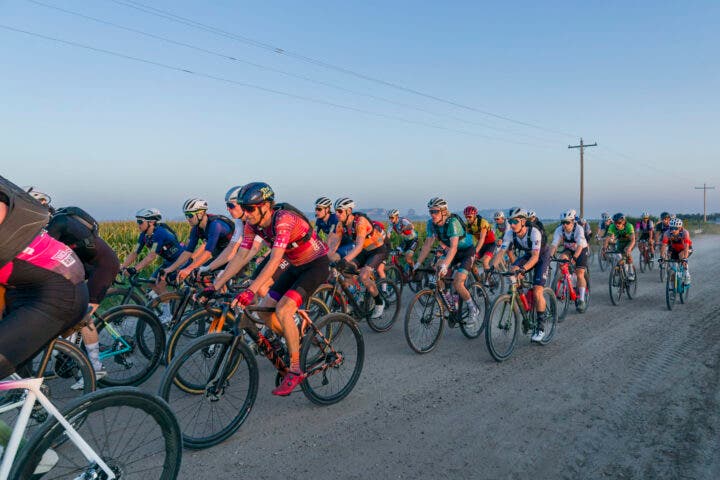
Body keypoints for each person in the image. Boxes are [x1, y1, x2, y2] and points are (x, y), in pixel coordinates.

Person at [229, 182, 329, 396]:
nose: (245, 213)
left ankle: (295, 369)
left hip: (315, 265)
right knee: (265, 311)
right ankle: (295, 339)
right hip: (295, 266)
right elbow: (241, 255)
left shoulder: (283, 219)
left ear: (266, 206)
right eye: (243, 208)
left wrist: (250, 291)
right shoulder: (252, 224)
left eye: (249, 208)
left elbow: (275, 259)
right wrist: (215, 284)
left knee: (283, 309)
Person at [45, 202, 120, 386]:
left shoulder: (58, 224)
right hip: (85, 267)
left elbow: (44, 256)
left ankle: (95, 367)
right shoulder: (55, 225)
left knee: (83, 316)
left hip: (103, 267)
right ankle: (72, 349)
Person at [414, 197, 482, 329]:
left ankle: (473, 308)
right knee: (437, 270)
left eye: (435, 211)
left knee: (458, 282)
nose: (432, 214)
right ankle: (450, 301)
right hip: (452, 251)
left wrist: (445, 265)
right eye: (430, 211)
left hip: (466, 252)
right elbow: (427, 245)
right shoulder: (431, 224)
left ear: (444, 211)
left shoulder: (453, 222)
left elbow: (454, 247)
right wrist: (417, 264)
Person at [493, 208, 551, 342]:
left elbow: (535, 257)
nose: (512, 224)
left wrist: (523, 269)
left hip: (541, 257)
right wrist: (491, 267)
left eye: (515, 221)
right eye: (510, 221)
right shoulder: (510, 233)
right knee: (513, 270)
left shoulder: (534, 232)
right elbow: (501, 252)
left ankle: (540, 327)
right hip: (528, 255)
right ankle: (526, 303)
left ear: (523, 221)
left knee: (537, 291)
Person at [327, 198, 388, 317]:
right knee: (345, 271)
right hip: (364, 251)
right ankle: (355, 294)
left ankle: (379, 302)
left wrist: (344, 260)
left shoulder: (360, 222)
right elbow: (333, 246)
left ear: (349, 211)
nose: (337, 214)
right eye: (336, 211)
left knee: (364, 276)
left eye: (340, 211)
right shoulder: (340, 224)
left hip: (377, 250)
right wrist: (327, 258)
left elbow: (359, 246)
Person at [161, 198, 234, 283]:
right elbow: (187, 252)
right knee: (199, 276)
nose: (188, 218)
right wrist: (170, 269)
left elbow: (207, 253)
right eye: (186, 215)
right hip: (219, 254)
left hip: (234, 253)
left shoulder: (215, 225)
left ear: (201, 214)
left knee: (217, 281)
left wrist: (188, 269)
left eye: (190, 215)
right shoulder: (196, 229)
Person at [549, 210, 589, 312]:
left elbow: (580, 246)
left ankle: (581, 300)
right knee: (562, 260)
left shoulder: (579, 229)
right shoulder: (559, 230)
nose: (564, 225)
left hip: (581, 250)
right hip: (569, 250)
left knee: (580, 273)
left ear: (573, 222)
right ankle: (564, 284)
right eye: (563, 222)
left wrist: (574, 259)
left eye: (567, 222)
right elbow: (554, 244)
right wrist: (550, 256)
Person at [463, 205, 496, 281]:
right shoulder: (468, 225)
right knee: (471, 262)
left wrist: (475, 251)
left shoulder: (482, 222)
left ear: (475, 215)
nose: (467, 219)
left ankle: (489, 281)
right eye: (466, 217)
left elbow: (482, 239)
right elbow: (466, 239)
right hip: (481, 245)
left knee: (485, 262)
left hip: (490, 244)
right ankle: (479, 282)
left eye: (469, 217)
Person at [603, 213, 636, 280]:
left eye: (619, 223)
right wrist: (604, 248)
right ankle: (622, 269)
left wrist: (629, 248)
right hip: (620, 242)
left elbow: (633, 240)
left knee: (627, 252)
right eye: (615, 222)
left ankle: (631, 272)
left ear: (623, 221)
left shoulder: (629, 226)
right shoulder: (612, 226)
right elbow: (607, 238)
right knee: (618, 256)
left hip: (629, 242)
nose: (617, 224)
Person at [660, 218, 693, 285]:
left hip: (686, 249)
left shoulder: (685, 233)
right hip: (675, 249)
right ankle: (672, 287)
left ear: (680, 228)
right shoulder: (667, 233)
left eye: (675, 228)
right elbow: (664, 246)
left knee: (681, 256)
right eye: (671, 228)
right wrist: (662, 257)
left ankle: (687, 274)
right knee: (673, 268)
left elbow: (686, 246)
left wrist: (685, 258)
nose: (673, 230)